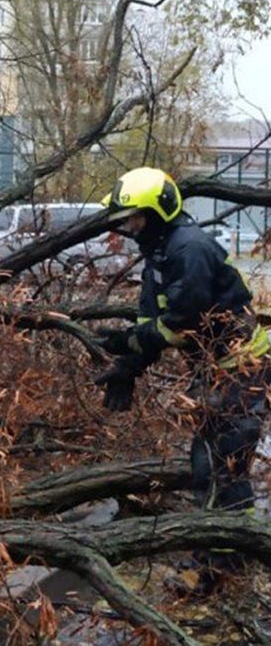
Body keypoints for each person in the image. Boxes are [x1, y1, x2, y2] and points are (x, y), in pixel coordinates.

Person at [94, 167, 268, 588]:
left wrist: (131, 340)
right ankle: (230, 553)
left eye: (133, 217)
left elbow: (182, 322)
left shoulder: (187, 249)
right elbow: (152, 319)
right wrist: (129, 365)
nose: (127, 225)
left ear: (156, 212)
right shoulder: (159, 253)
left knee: (221, 466)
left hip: (239, 370)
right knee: (211, 464)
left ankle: (220, 565)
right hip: (216, 370)